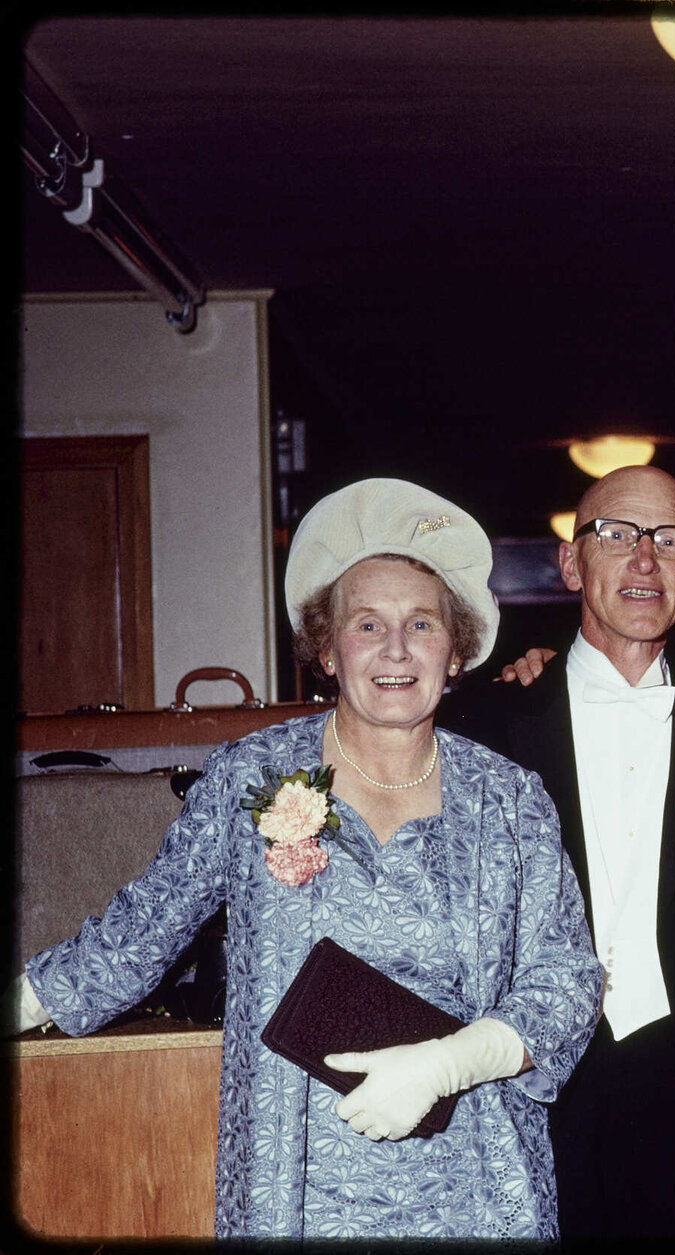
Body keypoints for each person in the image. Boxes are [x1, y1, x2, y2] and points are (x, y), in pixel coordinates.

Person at [5, 478, 603, 1239]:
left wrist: (449, 1063)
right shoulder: (251, 777)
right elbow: (142, 930)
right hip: (295, 1187)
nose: (396, 649)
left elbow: (569, 979)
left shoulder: (510, 798)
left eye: (422, 623)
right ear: (325, 647)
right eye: (367, 623)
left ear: (455, 652)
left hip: (477, 1185)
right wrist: (22, 1002)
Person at [449, 466, 675, 1242]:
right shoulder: (486, 725)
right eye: (616, 535)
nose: (642, 561)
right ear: (571, 564)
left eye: (669, 541)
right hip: (531, 1087)